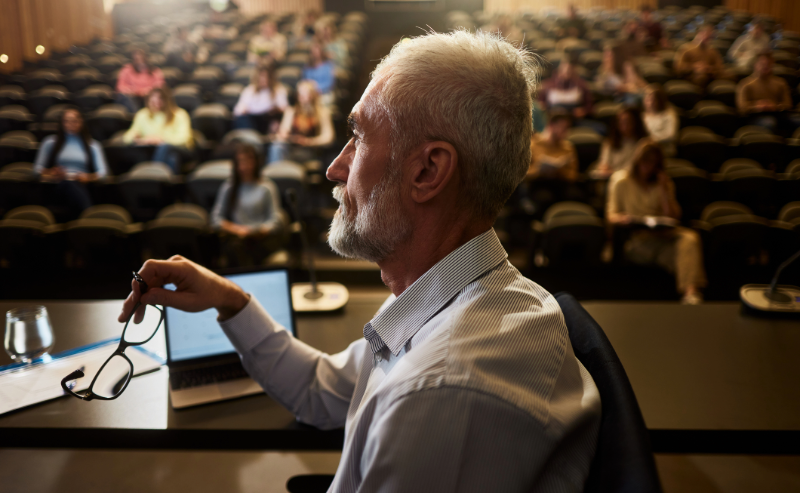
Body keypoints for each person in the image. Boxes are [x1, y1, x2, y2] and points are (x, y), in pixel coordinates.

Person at [120, 30, 600, 492]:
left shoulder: (439, 394)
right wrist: (229, 300)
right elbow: (318, 388)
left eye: (359, 135)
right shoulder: (457, 296)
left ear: (428, 171)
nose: (335, 167)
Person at [606, 139, 706, 304]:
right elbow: (611, 216)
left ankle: (691, 295)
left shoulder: (663, 183)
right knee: (681, 256)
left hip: (664, 234)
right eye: (645, 162)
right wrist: (627, 219)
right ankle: (691, 291)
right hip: (639, 238)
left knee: (690, 238)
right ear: (637, 161)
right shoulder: (620, 181)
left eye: (653, 163)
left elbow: (674, 217)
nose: (648, 167)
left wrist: (664, 190)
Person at [210, 143, 285, 267]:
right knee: (233, 246)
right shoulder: (229, 187)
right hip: (236, 236)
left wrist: (259, 230)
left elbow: (275, 220)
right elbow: (215, 219)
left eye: (248, 161)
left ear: (256, 163)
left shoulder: (267, 187)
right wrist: (237, 229)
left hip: (260, 238)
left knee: (239, 248)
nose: (245, 166)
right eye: (241, 162)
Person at [34, 107, 108, 217]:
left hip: (82, 185)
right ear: (62, 123)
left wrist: (89, 177)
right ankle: (88, 215)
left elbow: (103, 173)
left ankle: (85, 215)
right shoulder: (50, 142)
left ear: (81, 122)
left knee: (72, 185)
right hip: (57, 186)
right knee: (67, 183)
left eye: (75, 121)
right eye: (67, 121)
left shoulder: (92, 145)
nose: (70, 124)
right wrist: (50, 173)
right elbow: (36, 170)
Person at [122, 87, 194, 173]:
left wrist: (161, 140)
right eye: (153, 102)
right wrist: (137, 138)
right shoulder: (143, 114)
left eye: (159, 102)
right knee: (172, 158)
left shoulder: (180, 114)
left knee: (165, 147)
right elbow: (127, 137)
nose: (156, 105)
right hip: (154, 150)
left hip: (181, 149)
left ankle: (154, 174)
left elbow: (183, 139)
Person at [267, 80, 334, 164]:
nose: (302, 97)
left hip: (310, 150)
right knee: (277, 147)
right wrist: (284, 134)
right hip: (292, 147)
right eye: (300, 94)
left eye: (306, 94)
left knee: (282, 153)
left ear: (313, 95)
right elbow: (284, 130)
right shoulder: (291, 111)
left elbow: (328, 138)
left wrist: (308, 141)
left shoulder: (322, 113)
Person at [736, 51, 798, 135]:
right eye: (762, 64)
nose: (765, 66)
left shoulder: (780, 83)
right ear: (755, 64)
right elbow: (742, 108)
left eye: (768, 64)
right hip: (755, 116)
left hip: (778, 114)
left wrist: (775, 106)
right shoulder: (745, 84)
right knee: (769, 123)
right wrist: (757, 106)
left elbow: (788, 104)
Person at [538, 59, 601, 132]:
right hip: (554, 121)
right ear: (558, 71)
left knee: (600, 129)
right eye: (564, 71)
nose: (566, 74)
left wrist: (583, 111)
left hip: (575, 120)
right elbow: (540, 105)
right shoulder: (548, 85)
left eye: (569, 71)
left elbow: (590, 106)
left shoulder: (581, 85)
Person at [232, 64, 289, 134]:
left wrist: (276, 109)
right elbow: (237, 110)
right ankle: (251, 139)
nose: (263, 79)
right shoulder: (249, 90)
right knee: (242, 119)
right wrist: (245, 110)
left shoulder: (279, 90)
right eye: (261, 76)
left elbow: (285, 109)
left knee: (275, 121)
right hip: (252, 119)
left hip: (269, 118)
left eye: (266, 76)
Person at [595, 106, 649, 177]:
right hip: (610, 179)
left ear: (635, 122)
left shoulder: (643, 144)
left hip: (633, 181)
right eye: (621, 122)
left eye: (628, 121)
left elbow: (637, 169)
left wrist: (615, 173)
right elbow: (604, 164)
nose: (624, 126)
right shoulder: (610, 142)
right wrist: (604, 168)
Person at [527, 111, 578, 182]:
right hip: (539, 183)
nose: (566, 133)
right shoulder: (533, 144)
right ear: (551, 126)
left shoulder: (568, 147)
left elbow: (574, 175)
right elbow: (523, 174)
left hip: (562, 184)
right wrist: (538, 170)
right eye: (563, 128)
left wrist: (560, 171)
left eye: (567, 128)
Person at [674, 23, 726, 88]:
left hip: (711, 75)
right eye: (705, 34)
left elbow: (720, 67)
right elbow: (678, 67)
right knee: (701, 77)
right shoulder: (685, 48)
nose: (707, 37)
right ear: (699, 33)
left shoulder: (713, 51)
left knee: (731, 75)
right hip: (692, 75)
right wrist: (694, 67)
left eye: (709, 36)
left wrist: (708, 68)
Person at [115, 49, 165, 114]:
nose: (139, 61)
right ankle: (136, 115)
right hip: (131, 97)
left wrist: (147, 91)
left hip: (147, 97)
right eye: (136, 59)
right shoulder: (127, 69)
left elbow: (159, 86)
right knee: (124, 97)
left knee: (156, 96)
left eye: (141, 58)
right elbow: (120, 86)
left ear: (146, 58)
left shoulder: (154, 71)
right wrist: (133, 91)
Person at [642, 84, 679, 157]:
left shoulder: (669, 114)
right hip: (645, 151)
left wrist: (651, 140)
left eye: (653, 99)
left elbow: (671, 135)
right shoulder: (642, 116)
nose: (650, 102)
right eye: (647, 99)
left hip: (664, 151)